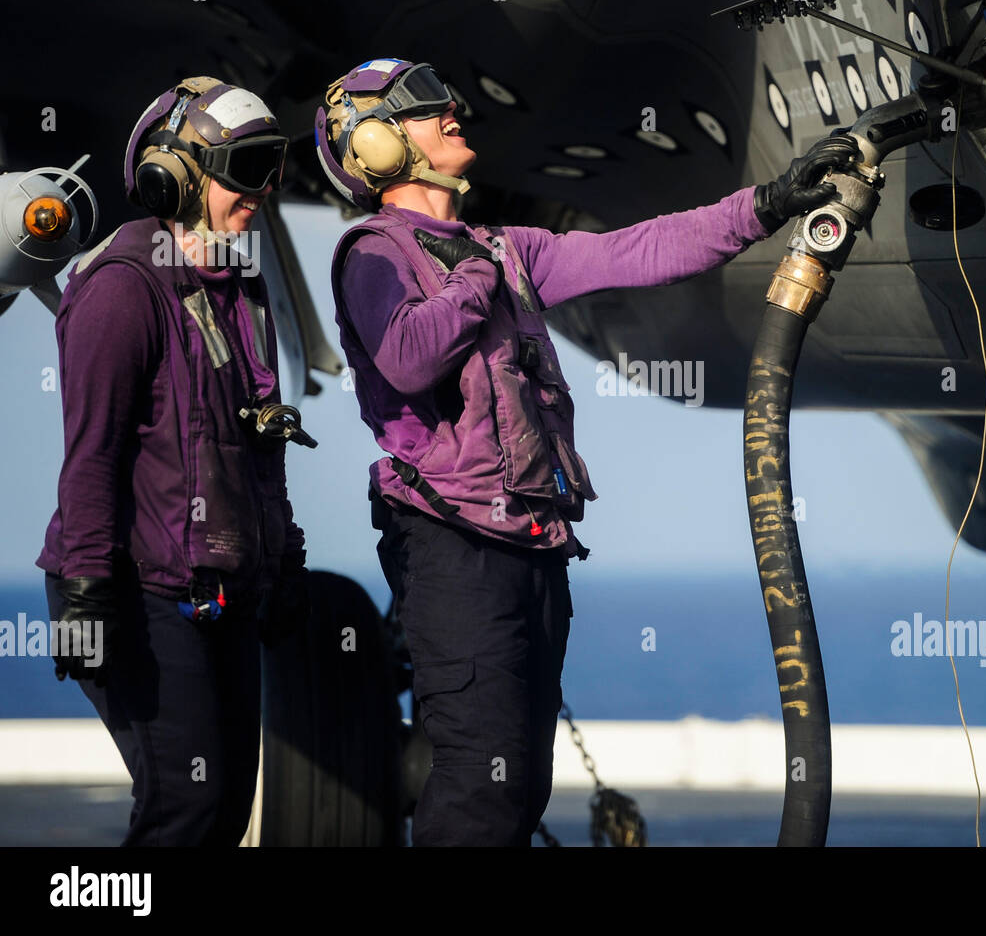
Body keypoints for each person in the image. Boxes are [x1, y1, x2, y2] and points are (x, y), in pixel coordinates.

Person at [314, 57, 861, 846]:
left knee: (520, 786)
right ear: (373, 146)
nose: (455, 110)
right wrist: (473, 281)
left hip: (531, 546)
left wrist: (768, 204)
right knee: (478, 786)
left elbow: (640, 250)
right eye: (428, 108)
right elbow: (407, 357)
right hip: (452, 550)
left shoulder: (505, 248)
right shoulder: (374, 253)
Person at [38, 76, 311, 846]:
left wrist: (282, 562)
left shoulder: (241, 285)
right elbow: (90, 455)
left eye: (272, 167)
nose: (262, 190)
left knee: (222, 813)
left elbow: (263, 447)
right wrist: (89, 595)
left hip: (215, 590)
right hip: (132, 589)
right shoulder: (123, 288)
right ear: (176, 174)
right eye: (244, 167)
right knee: (184, 810)